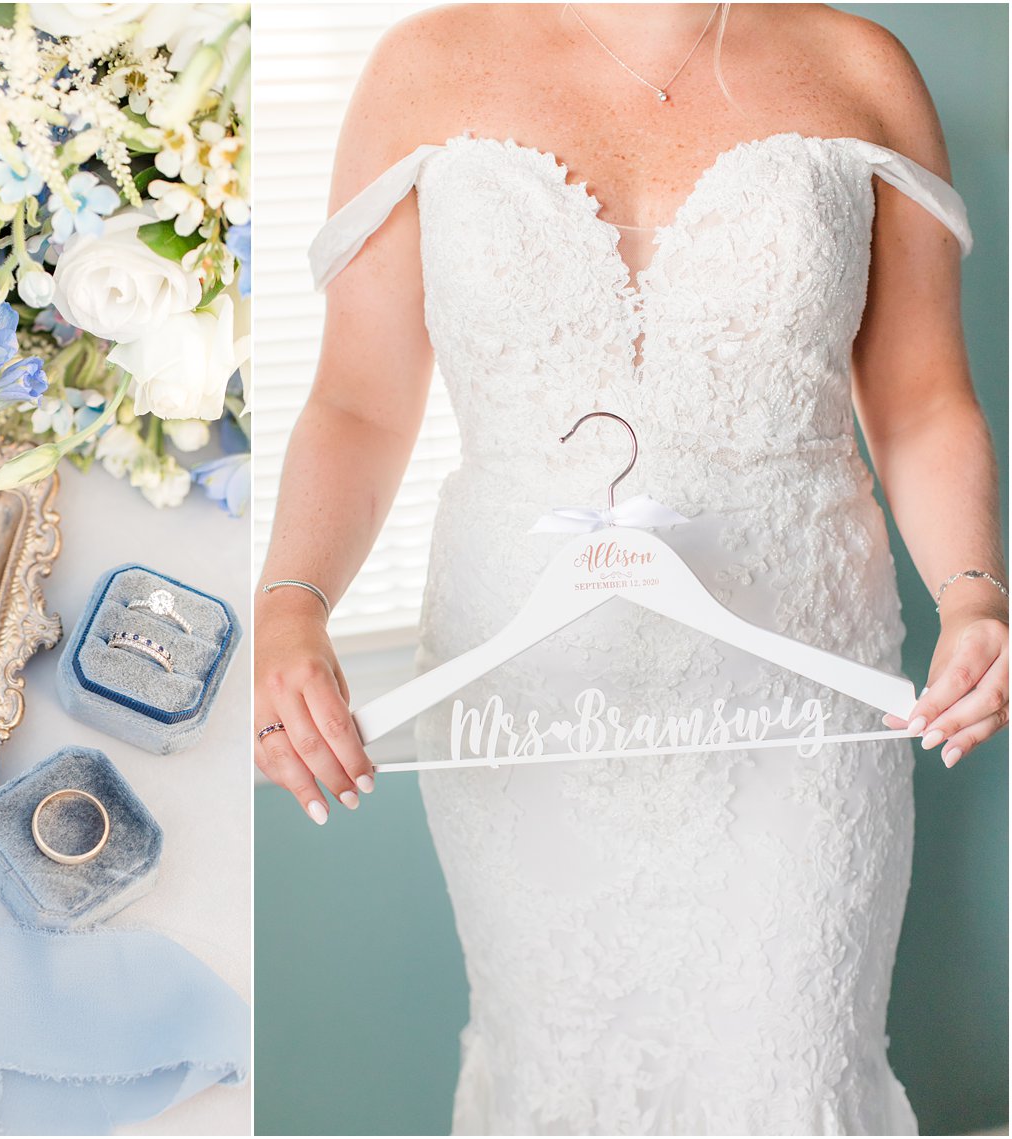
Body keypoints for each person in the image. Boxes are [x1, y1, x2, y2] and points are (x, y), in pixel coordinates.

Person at [253, 4, 1008, 1133]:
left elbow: (917, 399)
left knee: (786, 1053)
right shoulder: (420, 66)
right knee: (551, 1048)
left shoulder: (857, 65)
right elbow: (358, 404)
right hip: (522, 685)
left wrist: (973, 591)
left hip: (798, 680)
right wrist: (287, 605)